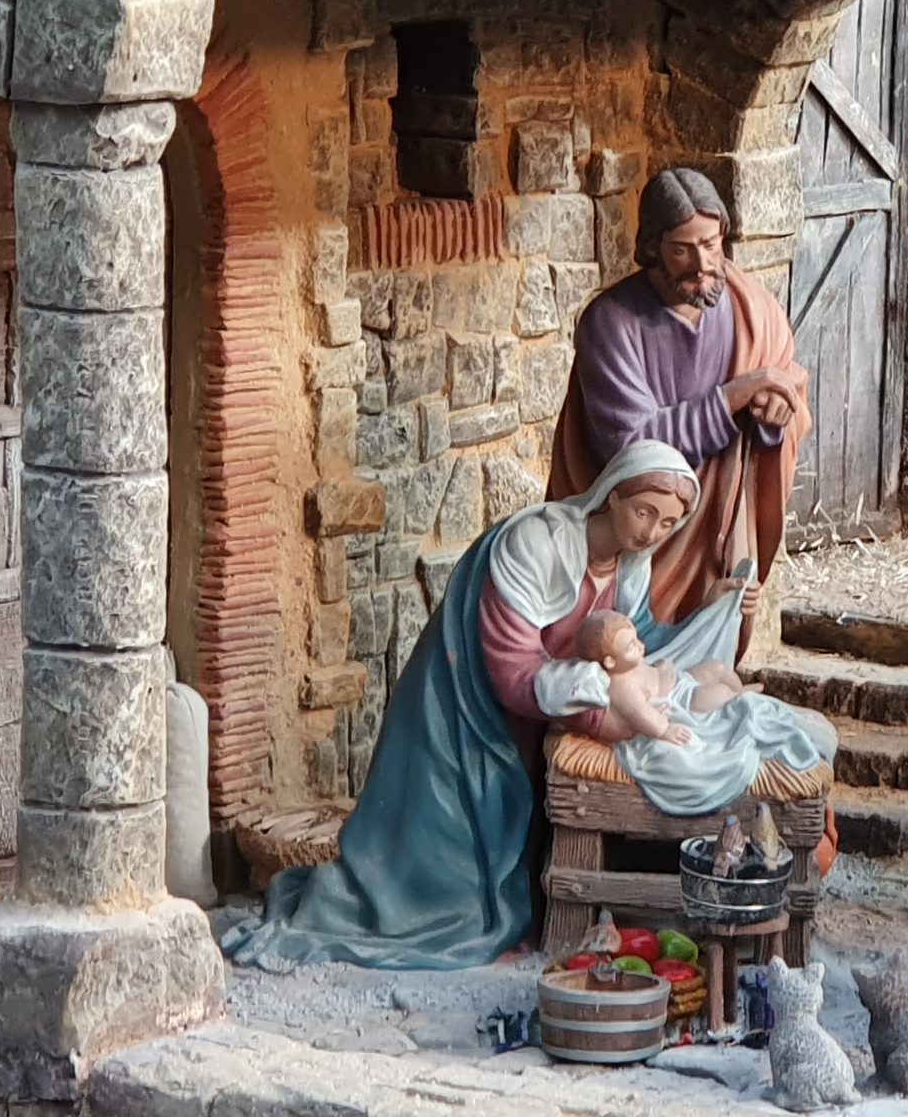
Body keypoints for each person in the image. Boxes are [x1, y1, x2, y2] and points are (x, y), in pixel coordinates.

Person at [221, 441, 834, 972]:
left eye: (668, 523)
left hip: (545, 709)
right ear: (612, 495)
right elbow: (513, 669)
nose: (651, 532)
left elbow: (640, 645)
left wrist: (717, 608)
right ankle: (420, 907)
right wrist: (602, 712)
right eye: (644, 511)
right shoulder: (535, 544)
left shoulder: (630, 564)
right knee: (454, 863)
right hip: (469, 708)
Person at [549, 167, 810, 657]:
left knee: (708, 663)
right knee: (621, 657)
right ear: (653, 248)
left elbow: (787, 382)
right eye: (681, 249)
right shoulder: (611, 322)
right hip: (639, 536)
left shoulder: (749, 306)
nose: (703, 264)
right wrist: (735, 395)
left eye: (711, 244)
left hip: (718, 524)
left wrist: (775, 415)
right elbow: (631, 446)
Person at [573, 609, 762, 743]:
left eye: (636, 638)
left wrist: (660, 668)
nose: (640, 646)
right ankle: (740, 698)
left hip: (681, 680)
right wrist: (664, 730)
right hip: (681, 701)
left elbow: (649, 673)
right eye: (631, 647)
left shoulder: (631, 663)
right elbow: (640, 713)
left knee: (717, 667)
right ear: (610, 662)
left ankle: (740, 689)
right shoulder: (621, 687)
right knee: (719, 694)